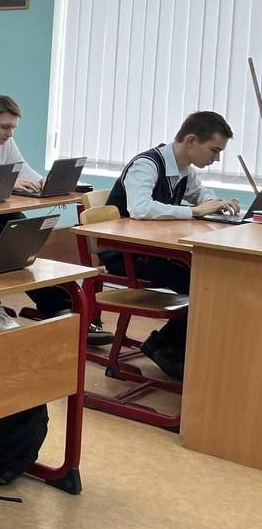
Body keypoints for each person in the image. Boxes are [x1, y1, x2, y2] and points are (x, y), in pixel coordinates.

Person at [104, 111, 238, 379]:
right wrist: (194, 211)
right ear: (191, 141)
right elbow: (140, 208)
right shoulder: (146, 164)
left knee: (217, 280)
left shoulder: (185, 169)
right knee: (207, 284)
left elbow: (202, 195)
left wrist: (218, 204)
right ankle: (164, 346)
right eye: (214, 150)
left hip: (155, 251)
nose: (216, 158)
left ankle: (172, 346)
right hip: (127, 254)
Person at [0, 95, 78, 332]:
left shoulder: (6, 142)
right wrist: (5, 183)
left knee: (26, 239)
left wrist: (43, 181)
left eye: (13, 128)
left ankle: (57, 305)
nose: (10, 133)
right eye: (5, 127)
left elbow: (22, 167)